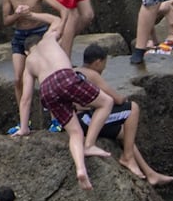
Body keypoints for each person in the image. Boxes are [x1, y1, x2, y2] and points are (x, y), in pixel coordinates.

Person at [22, 12, 114, 190]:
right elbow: (57, 20)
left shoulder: (29, 62)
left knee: (74, 132)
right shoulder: (49, 38)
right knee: (106, 103)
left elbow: (26, 98)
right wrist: (31, 14)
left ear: (27, 51)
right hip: (65, 76)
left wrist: (25, 128)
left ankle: (81, 169)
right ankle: (89, 145)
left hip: (47, 89)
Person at [74, 45, 173, 186]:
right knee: (132, 108)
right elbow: (116, 99)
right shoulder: (92, 75)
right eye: (104, 64)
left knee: (125, 133)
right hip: (85, 120)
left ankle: (151, 174)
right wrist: (123, 100)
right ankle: (127, 157)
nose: (103, 68)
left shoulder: (74, 71)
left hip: (76, 121)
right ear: (98, 62)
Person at [0, 0, 68, 135]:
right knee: (17, 78)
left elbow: (63, 10)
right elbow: (6, 21)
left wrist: (59, 30)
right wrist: (18, 15)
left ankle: (55, 119)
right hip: (20, 36)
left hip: (38, 33)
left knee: (45, 76)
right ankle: (24, 121)